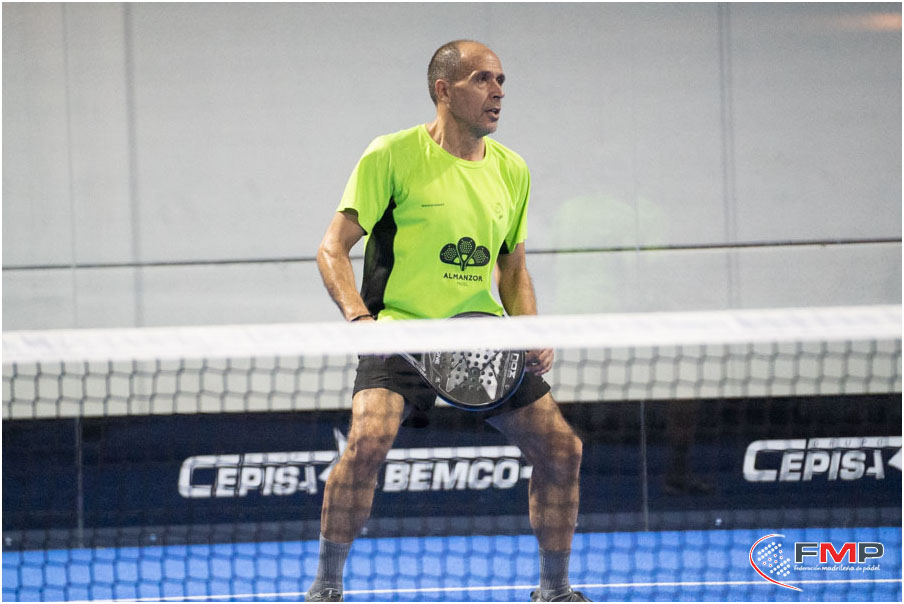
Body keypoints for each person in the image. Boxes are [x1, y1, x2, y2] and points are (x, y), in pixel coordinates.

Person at [306, 40, 588, 603]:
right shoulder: (392, 154)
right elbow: (332, 249)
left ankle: (555, 592)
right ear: (444, 89)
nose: (498, 91)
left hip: (482, 340)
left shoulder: (512, 169)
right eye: (483, 79)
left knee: (563, 451)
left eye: (501, 80)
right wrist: (361, 320)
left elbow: (513, 267)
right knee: (366, 443)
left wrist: (529, 330)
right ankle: (326, 588)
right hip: (401, 335)